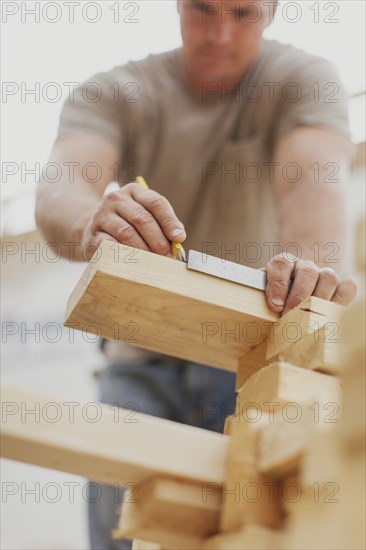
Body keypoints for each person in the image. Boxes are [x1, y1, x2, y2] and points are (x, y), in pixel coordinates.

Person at [35, 1, 357, 548]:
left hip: (248, 356)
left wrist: (309, 265)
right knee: (122, 534)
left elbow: (313, 186)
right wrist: (91, 220)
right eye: (202, 8)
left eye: (243, 12)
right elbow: (59, 190)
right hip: (137, 359)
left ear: (273, 10)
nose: (218, 32)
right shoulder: (116, 91)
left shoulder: (302, 80)